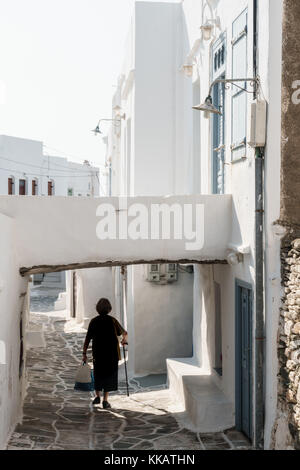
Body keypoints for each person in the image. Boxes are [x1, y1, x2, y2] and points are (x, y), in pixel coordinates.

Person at [82, 298, 128, 408]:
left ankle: (97, 396)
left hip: (98, 354)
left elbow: (87, 338)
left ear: (97, 308)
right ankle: (105, 400)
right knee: (109, 376)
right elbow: (124, 333)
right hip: (112, 354)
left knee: (98, 374)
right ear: (109, 308)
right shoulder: (112, 321)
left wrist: (84, 353)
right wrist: (123, 340)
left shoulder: (94, 321)